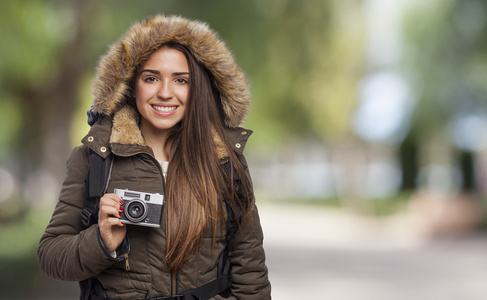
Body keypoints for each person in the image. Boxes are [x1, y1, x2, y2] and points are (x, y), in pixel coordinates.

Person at [37, 15, 271, 300]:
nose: (164, 93)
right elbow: (50, 255)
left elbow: (252, 274)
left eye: (181, 80)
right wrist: (101, 241)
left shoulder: (225, 161)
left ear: (197, 89)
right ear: (132, 86)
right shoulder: (96, 158)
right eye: (151, 78)